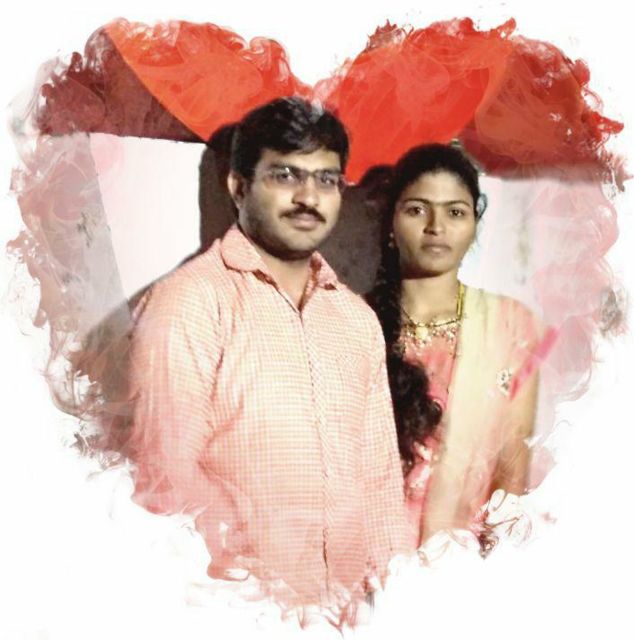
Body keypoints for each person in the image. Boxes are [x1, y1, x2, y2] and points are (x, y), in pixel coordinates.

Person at [125, 97, 410, 609]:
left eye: (326, 179)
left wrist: (395, 604)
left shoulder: (356, 320)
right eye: (285, 175)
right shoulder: (189, 302)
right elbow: (164, 482)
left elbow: (380, 486)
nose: (309, 197)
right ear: (238, 187)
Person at [367, 143, 553, 549]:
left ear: (474, 224)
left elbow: (511, 471)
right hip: (363, 558)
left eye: (455, 212)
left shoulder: (512, 327)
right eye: (417, 210)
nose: (436, 227)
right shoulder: (352, 323)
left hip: (460, 563)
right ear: (390, 222)